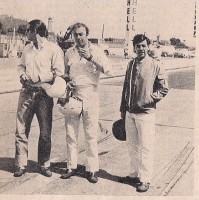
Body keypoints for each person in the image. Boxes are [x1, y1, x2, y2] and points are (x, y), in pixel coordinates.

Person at [60, 22, 112, 183]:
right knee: (71, 134)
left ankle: (92, 170)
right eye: (75, 35)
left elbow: (109, 70)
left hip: (91, 94)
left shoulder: (97, 51)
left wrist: (91, 58)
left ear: (87, 34)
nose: (78, 38)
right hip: (74, 95)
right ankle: (71, 167)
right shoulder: (69, 52)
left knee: (90, 135)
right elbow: (65, 73)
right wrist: (66, 82)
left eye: (81, 34)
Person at [14, 19, 65, 177]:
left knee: (45, 132)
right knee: (21, 130)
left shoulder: (53, 49)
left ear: (35, 32)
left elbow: (59, 71)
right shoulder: (27, 49)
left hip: (44, 95)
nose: (26, 33)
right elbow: (21, 66)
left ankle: (44, 164)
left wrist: (39, 78)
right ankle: (21, 164)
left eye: (28, 30)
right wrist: (22, 75)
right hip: (26, 93)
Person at [120, 34, 169, 192]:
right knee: (132, 146)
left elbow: (164, 89)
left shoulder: (156, 65)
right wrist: (123, 110)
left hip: (146, 114)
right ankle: (134, 174)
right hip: (130, 113)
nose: (140, 49)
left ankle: (145, 179)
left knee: (146, 147)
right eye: (137, 46)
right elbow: (125, 88)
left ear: (148, 47)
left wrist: (149, 99)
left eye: (143, 46)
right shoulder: (131, 64)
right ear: (133, 48)